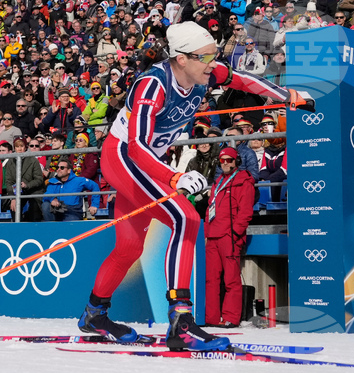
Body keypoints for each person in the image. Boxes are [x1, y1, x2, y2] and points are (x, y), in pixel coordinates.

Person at [78, 21, 309, 350]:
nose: (214, 64)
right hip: (125, 158)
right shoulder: (152, 85)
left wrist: (288, 96)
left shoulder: (205, 72)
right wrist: (174, 176)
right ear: (182, 59)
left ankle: (94, 314)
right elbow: (136, 147)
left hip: (147, 161)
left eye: (215, 55)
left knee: (129, 247)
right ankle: (181, 321)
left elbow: (243, 80)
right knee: (185, 218)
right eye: (206, 57)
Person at [203, 146, 255, 329]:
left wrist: (235, 233)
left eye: (229, 160)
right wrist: (206, 233)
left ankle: (231, 318)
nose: (225, 163)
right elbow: (210, 209)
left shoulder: (243, 181)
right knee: (210, 279)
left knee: (231, 279)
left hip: (229, 236)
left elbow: (246, 212)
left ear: (236, 162)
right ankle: (211, 317)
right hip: (213, 236)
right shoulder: (218, 182)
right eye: (222, 160)